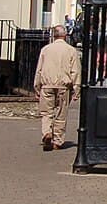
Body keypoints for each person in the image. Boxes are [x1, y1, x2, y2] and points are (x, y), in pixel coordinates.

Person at [33, 23, 81, 151]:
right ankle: (58, 141)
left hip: (47, 85)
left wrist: (37, 86)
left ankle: (47, 132)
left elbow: (39, 69)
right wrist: (77, 89)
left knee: (46, 113)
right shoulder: (71, 50)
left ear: (54, 36)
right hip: (63, 86)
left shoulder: (46, 49)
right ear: (65, 35)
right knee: (61, 113)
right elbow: (75, 71)